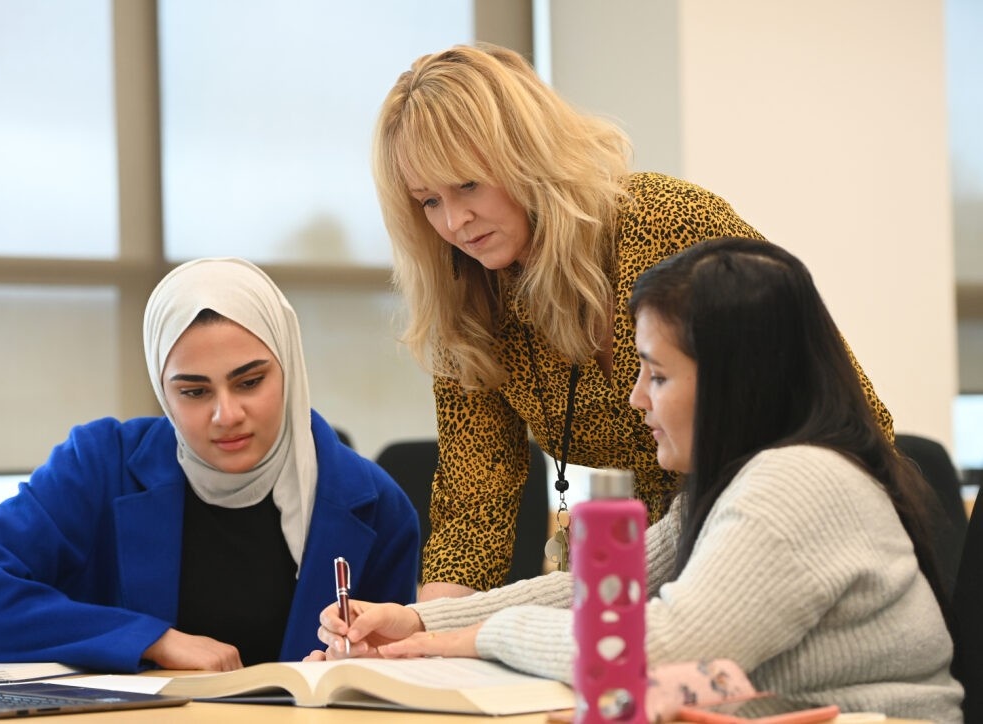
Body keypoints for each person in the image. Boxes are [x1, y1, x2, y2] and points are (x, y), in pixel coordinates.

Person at [310, 238, 962, 721]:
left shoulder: (797, 483)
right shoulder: (741, 481)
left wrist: (468, 637)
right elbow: (597, 594)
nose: (635, 400)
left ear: (735, 380)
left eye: (657, 374)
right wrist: (416, 623)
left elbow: (654, 644)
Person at [372, 42, 893, 599]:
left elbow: (846, 419)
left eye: (468, 184)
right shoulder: (468, 298)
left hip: (784, 541)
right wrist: (422, 640)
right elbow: (472, 511)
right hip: (646, 572)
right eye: (428, 201)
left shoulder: (669, 223)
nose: (454, 221)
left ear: (525, 154)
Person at [0, 257, 419, 673]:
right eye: (194, 392)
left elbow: (393, 678)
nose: (227, 415)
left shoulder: (377, 506)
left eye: (250, 381)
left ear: (290, 368)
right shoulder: (99, 465)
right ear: (163, 390)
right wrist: (150, 640)